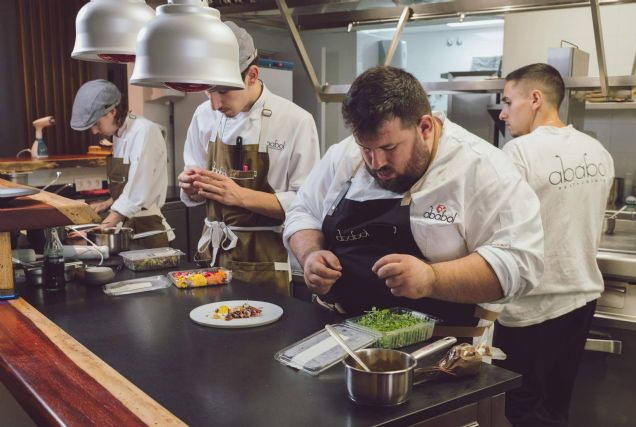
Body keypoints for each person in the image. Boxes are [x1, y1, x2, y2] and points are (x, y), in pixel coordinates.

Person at [283, 65, 544, 340]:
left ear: (425, 127)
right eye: (366, 148)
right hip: (340, 335)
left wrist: (433, 279)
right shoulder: (343, 156)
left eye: (389, 148)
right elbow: (303, 211)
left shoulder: (482, 168)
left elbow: (519, 261)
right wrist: (310, 254)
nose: (376, 163)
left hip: (442, 350)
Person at [495, 63, 614, 427]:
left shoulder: (518, 153)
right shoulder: (598, 151)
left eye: (507, 101)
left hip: (532, 306)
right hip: (581, 300)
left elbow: (499, 230)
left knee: (522, 411)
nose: (502, 113)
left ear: (535, 99)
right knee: (555, 409)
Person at [178, 22, 320, 296]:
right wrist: (190, 187)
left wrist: (240, 196)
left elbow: (308, 205)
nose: (215, 104)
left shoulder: (295, 121)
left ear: (252, 75)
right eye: (208, 91)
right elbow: (192, 183)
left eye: (223, 92)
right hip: (211, 256)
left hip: (267, 258)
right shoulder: (203, 116)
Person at [70, 79, 174, 248]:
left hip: (147, 230)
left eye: (96, 123)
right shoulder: (119, 132)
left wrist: (96, 230)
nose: (95, 131)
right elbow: (128, 183)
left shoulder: (144, 131)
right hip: (127, 226)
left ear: (112, 111)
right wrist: (107, 203)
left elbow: (138, 189)